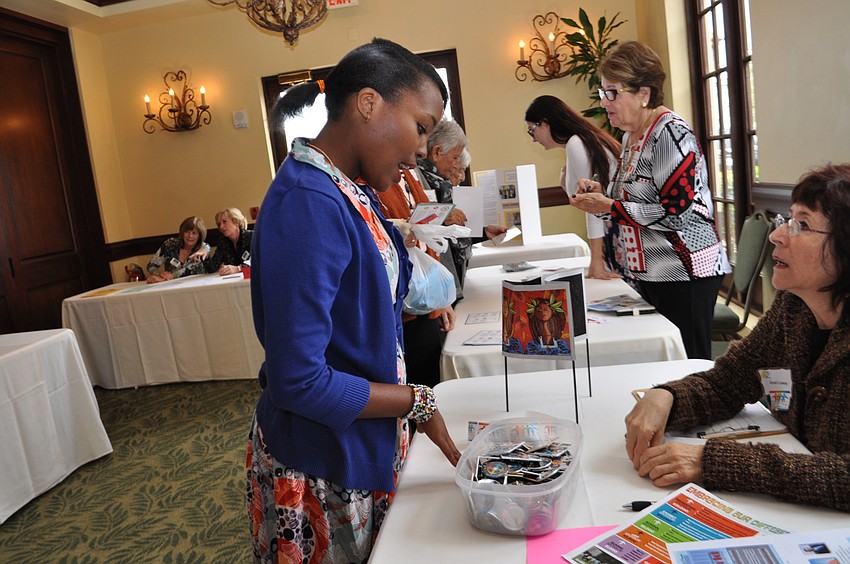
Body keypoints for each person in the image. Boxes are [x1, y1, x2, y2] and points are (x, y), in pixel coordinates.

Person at [246, 38, 461, 563]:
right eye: (421, 126)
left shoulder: (348, 188)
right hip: (322, 461)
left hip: (360, 442)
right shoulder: (308, 201)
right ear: (369, 103)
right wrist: (416, 401)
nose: (418, 152)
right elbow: (300, 382)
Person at [624, 163, 850, 512]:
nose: (778, 235)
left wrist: (715, 462)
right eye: (787, 220)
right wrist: (666, 396)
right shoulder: (794, 307)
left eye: (802, 225)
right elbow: (731, 380)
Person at [571, 41, 731, 359]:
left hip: (685, 272)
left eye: (613, 92)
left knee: (687, 366)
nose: (605, 102)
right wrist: (599, 195)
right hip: (652, 274)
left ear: (644, 93)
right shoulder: (632, 136)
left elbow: (677, 214)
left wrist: (610, 206)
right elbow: (627, 198)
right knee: (661, 364)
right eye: (603, 93)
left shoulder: (671, 134)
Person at [525, 95, 623, 280]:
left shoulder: (576, 144)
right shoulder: (579, 142)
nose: (534, 139)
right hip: (614, 226)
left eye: (532, 131)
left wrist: (596, 262)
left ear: (545, 123)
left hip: (615, 229)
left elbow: (593, 206)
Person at [377, 173, 456, 389]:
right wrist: (394, 230)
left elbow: (428, 238)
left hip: (425, 295)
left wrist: (442, 300)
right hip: (399, 306)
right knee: (413, 384)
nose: (418, 155)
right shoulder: (372, 178)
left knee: (430, 379)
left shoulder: (409, 175)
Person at [415, 119, 506, 298]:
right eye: (455, 158)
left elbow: (452, 236)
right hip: (430, 282)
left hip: (447, 277)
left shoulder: (440, 183)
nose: (457, 166)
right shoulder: (418, 179)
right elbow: (410, 225)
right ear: (436, 152)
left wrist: (483, 233)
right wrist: (440, 218)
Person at [146, 216, 209, 284]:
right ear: (182, 232)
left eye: (194, 233)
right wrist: (157, 275)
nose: (190, 236)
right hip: (171, 287)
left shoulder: (203, 248)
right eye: (187, 232)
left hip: (197, 286)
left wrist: (169, 277)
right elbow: (151, 266)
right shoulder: (170, 244)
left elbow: (189, 270)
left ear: (200, 235)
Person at [204, 207, 253, 276]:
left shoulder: (252, 237)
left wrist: (238, 268)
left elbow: (260, 262)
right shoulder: (223, 242)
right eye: (219, 224)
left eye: (224, 222)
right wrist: (205, 253)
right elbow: (212, 268)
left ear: (236, 221)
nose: (221, 227)